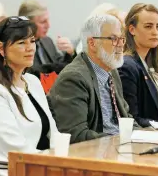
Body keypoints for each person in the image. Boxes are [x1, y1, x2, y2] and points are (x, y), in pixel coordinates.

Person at [0, 16, 59, 176]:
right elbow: (15, 148)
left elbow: (53, 133)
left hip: (40, 166)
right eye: (21, 43)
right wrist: (54, 167)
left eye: (32, 41)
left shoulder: (32, 82)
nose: (30, 48)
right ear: (1, 48)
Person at [48, 14, 132, 144]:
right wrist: (118, 140)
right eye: (114, 39)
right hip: (94, 154)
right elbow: (75, 134)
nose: (120, 45)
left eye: (122, 39)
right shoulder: (73, 78)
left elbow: (126, 117)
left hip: (117, 147)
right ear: (92, 43)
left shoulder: (112, 71)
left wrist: (147, 135)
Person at [18, 0, 75, 75]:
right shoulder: (18, 46)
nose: (48, 26)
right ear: (27, 23)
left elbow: (61, 65)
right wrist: (51, 68)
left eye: (48, 20)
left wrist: (70, 53)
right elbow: (26, 73)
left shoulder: (47, 40)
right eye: (43, 22)